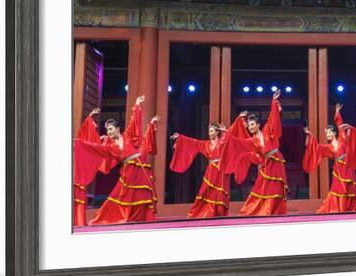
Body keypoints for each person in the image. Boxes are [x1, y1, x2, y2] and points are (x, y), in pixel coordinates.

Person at [82, 95, 160, 224]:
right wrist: (85, 138)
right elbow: (96, 148)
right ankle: (104, 218)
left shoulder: (127, 135)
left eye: (111, 129)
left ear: (118, 129)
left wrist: (137, 105)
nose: (109, 132)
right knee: (122, 195)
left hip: (140, 167)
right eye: (107, 130)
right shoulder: (109, 145)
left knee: (143, 193)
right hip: (128, 170)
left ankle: (143, 218)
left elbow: (133, 121)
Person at [221, 89, 288, 216]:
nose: (250, 127)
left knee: (277, 187)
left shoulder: (267, 130)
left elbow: (272, 118)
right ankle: (258, 210)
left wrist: (273, 101)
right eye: (249, 125)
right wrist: (226, 134)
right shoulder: (252, 141)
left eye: (252, 124)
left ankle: (275, 211)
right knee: (262, 187)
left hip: (276, 161)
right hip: (266, 164)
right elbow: (238, 141)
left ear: (258, 125)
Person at [169, 113, 248, 218]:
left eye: (211, 131)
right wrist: (180, 138)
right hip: (211, 171)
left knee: (219, 193)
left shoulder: (222, 141)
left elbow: (232, 134)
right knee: (205, 191)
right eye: (209, 131)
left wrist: (239, 118)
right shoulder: (206, 144)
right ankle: (201, 213)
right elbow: (193, 142)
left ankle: (219, 213)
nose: (209, 133)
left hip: (221, 171)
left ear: (216, 132)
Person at [302, 103, 356, 213]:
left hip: (347, 167)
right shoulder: (327, 147)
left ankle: (350, 209)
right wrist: (309, 135)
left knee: (350, 188)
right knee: (339, 189)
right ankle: (340, 209)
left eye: (329, 132)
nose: (327, 134)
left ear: (334, 133)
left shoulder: (342, 139)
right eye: (326, 132)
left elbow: (340, 126)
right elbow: (315, 147)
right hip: (338, 170)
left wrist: (337, 113)